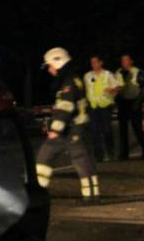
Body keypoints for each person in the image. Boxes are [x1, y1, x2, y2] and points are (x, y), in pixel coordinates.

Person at [36, 48, 99, 202]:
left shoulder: (68, 81)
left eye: (50, 65)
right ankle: (39, 191)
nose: (49, 69)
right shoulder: (72, 78)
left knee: (79, 161)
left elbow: (66, 107)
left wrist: (55, 130)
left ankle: (91, 197)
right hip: (72, 128)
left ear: (58, 62)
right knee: (47, 157)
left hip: (72, 128)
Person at [83, 55, 120, 162]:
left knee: (107, 131)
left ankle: (111, 153)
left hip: (105, 106)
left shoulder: (108, 74)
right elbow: (86, 90)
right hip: (93, 107)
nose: (93, 64)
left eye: (95, 62)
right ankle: (99, 155)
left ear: (100, 63)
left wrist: (112, 91)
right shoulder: (87, 76)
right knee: (95, 132)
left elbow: (117, 88)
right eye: (92, 63)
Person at [116, 54, 144, 160]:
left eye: (126, 60)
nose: (124, 62)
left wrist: (138, 102)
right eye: (122, 60)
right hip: (122, 103)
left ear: (131, 61)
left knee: (137, 128)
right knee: (122, 130)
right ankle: (124, 153)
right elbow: (116, 88)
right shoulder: (118, 72)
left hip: (135, 101)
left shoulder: (138, 72)